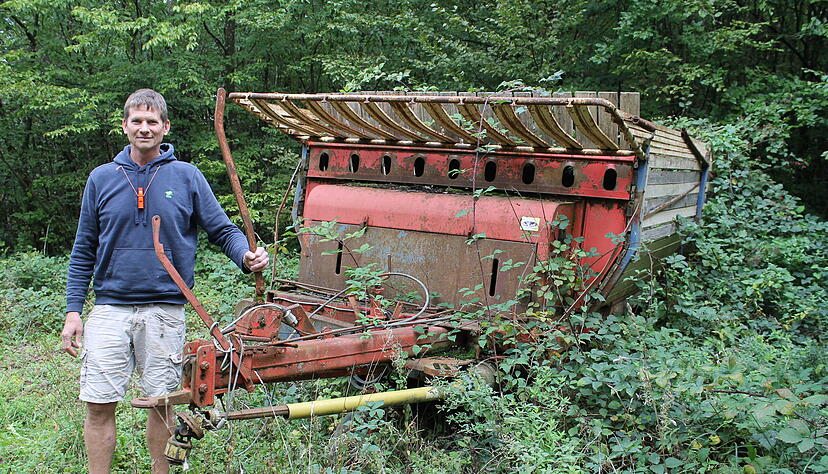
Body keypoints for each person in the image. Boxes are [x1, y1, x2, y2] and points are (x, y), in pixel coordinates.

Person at [60, 89, 268, 474]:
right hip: (109, 309)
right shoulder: (102, 179)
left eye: (152, 121)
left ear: (165, 127)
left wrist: (245, 255)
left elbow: (222, 230)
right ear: (125, 126)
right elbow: (83, 249)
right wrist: (74, 311)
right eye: (136, 121)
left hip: (164, 310)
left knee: (162, 403)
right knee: (99, 403)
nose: (144, 128)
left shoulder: (186, 176)